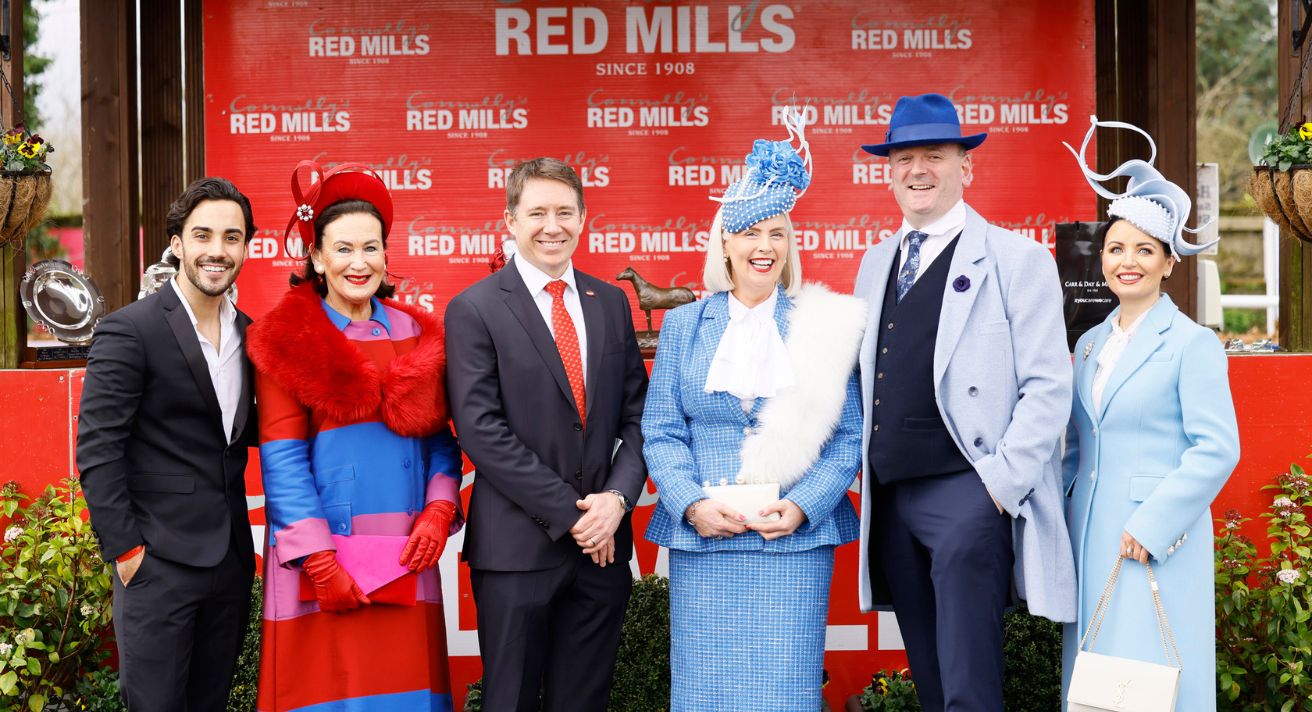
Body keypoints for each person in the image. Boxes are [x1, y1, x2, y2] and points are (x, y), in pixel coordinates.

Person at [853, 92, 1076, 711]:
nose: (917, 170)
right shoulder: (875, 264)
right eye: (903, 158)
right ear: (888, 171)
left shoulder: (1016, 258)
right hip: (891, 494)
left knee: (970, 685)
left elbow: (1049, 385)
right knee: (929, 677)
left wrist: (998, 486)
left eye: (934, 155)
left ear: (966, 166)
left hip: (968, 491)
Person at [643, 110, 866, 711]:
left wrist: (802, 507)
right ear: (725, 243)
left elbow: (848, 439)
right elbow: (661, 431)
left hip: (791, 545)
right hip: (705, 541)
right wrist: (691, 503)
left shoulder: (820, 325)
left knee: (786, 693)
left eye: (777, 235)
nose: (764, 247)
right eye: (749, 233)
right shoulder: (686, 325)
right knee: (704, 694)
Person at [246, 161, 462, 711]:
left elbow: (440, 440)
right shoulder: (288, 338)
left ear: (387, 255)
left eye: (371, 248)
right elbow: (283, 459)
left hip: (405, 553)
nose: (358, 263)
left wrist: (439, 511)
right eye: (342, 249)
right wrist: (318, 561)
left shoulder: (417, 333)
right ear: (316, 257)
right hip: (323, 559)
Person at [444, 158, 648, 712]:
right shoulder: (474, 309)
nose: (551, 226)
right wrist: (579, 516)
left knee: (583, 701)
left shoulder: (609, 302)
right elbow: (481, 432)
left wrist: (617, 500)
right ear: (509, 220)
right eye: (536, 212)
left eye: (565, 211)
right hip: (518, 552)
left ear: (584, 218)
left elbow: (639, 418)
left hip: (602, 553)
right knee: (509, 701)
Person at [1061, 117, 1240, 711]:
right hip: (1090, 534)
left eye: (1144, 250)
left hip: (1155, 537)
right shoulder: (1088, 345)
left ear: (1169, 263)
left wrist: (1153, 525)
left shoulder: (1193, 343)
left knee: (1152, 680)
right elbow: (1076, 448)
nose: (1126, 261)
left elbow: (1217, 448)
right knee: (1096, 685)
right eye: (1116, 249)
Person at [77, 177, 257, 711]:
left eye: (232, 237)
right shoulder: (130, 331)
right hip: (157, 563)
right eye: (203, 235)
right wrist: (128, 552)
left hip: (229, 563)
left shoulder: (253, 335)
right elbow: (98, 449)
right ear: (177, 244)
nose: (217, 251)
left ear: (246, 247)